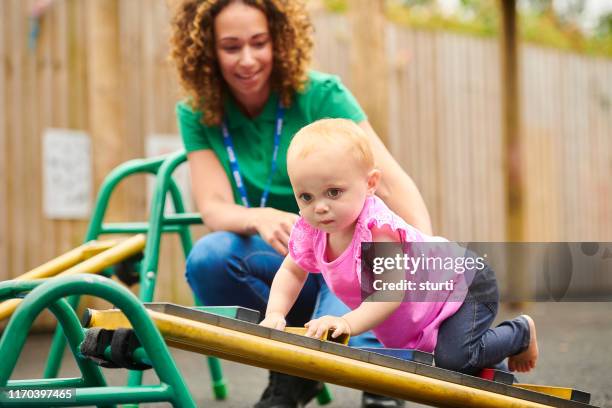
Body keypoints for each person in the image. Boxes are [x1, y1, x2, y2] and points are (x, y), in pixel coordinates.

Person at [170, 1, 431, 407]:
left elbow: (393, 185)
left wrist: (424, 255)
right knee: (209, 258)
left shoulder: (320, 94)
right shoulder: (199, 113)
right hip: (287, 260)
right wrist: (257, 216)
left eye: (259, 42)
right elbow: (213, 206)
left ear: (279, 38)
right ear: (206, 49)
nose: (248, 59)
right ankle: (293, 366)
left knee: (355, 316)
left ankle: (377, 374)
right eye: (231, 46)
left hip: (347, 259)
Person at [260, 118, 539, 377]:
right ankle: (486, 357)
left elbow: (389, 293)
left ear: (370, 184)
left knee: (452, 360)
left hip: (464, 282)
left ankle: (519, 333)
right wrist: (275, 313)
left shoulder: (377, 231)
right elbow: (292, 272)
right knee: (454, 363)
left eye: (334, 192)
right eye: (306, 197)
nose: (320, 207)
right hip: (429, 304)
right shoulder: (312, 231)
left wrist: (346, 323)